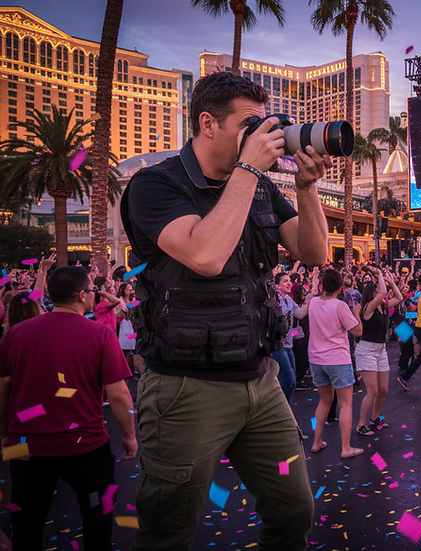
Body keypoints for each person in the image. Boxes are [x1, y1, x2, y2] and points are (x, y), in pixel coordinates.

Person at [121, 71, 327, 550]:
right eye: (250, 124)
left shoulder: (259, 188)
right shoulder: (155, 186)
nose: (263, 134)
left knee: (294, 508)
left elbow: (314, 254)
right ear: (207, 123)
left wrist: (306, 188)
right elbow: (207, 255)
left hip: (260, 380)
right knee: (167, 531)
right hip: (185, 390)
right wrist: (249, 170)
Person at [0, 266, 137, 551]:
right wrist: (130, 436)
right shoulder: (99, 335)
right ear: (83, 295)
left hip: (24, 446)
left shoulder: (14, 335)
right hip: (86, 446)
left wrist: (5, 432)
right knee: (98, 517)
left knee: (25, 522)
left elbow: (3, 388)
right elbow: (119, 394)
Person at [308, 268, 364, 458]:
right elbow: (357, 331)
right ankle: (346, 448)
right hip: (338, 360)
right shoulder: (340, 306)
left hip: (316, 359)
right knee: (346, 404)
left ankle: (316, 441)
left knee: (324, 401)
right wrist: (356, 313)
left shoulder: (313, 302)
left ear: (322, 285)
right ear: (341, 288)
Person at [354, 267, 401, 436]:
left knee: (384, 389)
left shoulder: (383, 306)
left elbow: (399, 297)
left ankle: (375, 418)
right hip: (366, 350)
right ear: (371, 294)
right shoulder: (367, 308)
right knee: (372, 391)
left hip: (381, 350)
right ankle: (360, 424)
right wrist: (380, 275)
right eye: (376, 291)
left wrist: (392, 283)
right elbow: (383, 294)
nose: (381, 293)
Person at [271, 272, 301, 401]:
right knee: (288, 380)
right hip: (278, 345)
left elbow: (300, 314)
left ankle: (280, 408)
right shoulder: (274, 300)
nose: (290, 283)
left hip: (288, 345)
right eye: (285, 281)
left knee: (291, 381)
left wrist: (312, 298)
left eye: (290, 280)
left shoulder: (288, 299)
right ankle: (280, 409)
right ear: (277, 286)